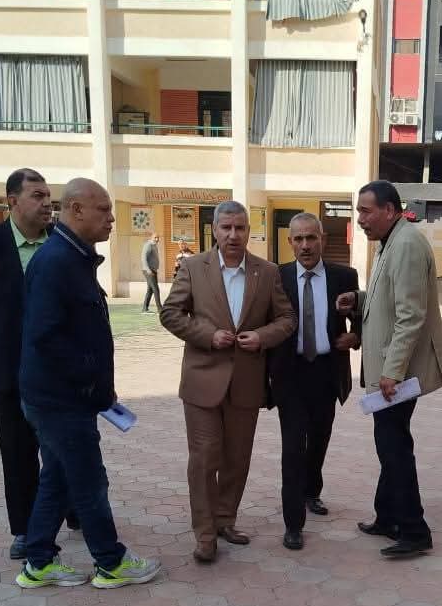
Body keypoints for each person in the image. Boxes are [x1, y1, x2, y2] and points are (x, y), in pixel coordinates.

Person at [15, 178, 162, 590]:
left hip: (63, 397)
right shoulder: (56, 261)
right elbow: (46, 337)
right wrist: (91, 379)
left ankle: (38, 561)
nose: (112, 219)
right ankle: (110, 562)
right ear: (76, 210)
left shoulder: (72, 257)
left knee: (58, 477)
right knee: (88, 480)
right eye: (104, 210)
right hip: (60, 401)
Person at [159, 201, 296, 563]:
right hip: (202, 381)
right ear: (215, 230)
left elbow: (286, 319)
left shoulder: (267, 272)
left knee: (237, 459)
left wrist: (262, 337)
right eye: (226, 228)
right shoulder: (193, 267)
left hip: (246, 383)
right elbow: (170, 313)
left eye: (240, 228)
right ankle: (205, 534)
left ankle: (225, 520)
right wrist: (207, 335)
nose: (233, 235)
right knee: (205, 459)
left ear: (249, 231)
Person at [0, 168, 77, 560]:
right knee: (19, 452)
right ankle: (25, 530)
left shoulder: (62, 242)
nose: (46, 204)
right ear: (12, 201)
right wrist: (1, 346)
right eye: (37, 196)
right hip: (9, 371)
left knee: (69, 444)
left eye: (48, 197)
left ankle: (77, 510)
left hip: (61, 371)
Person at [335, 180, 442, 560]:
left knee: (394, 448)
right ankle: (387, 517)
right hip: (390, 370)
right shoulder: (391, 241)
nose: (360, 219)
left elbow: (410, 316)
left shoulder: (405, 245)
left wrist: (393, 372)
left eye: (366, 211)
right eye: (359, 211)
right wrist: (359, 300)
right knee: (390, 444)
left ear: (389, 210)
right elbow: (389, 298)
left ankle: (415, 531)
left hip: (395, 376)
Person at [269, 213, 361, 551]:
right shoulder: (276, 277)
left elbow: (362, 314)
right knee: (293, 447)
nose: (305, 245)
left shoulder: (344, 276)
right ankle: (293, 523)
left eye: (311, 237)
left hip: (326, 372)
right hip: (290, 375)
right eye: (299, 239)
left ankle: (311, 491)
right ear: (290, 242)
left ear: (322, 239)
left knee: (320, 438)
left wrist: (355, 336)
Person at [140, 233, 162, 313]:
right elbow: (143, 258)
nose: (157, 239)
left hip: (153, 270)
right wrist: (148, 270)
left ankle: (145, 308)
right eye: (155, 237)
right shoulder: (148, 245)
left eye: (158, 238)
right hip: (149, 271)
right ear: (151, 237)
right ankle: (160, 309)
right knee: (156, 289)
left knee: (150, 290)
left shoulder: (154, 245)